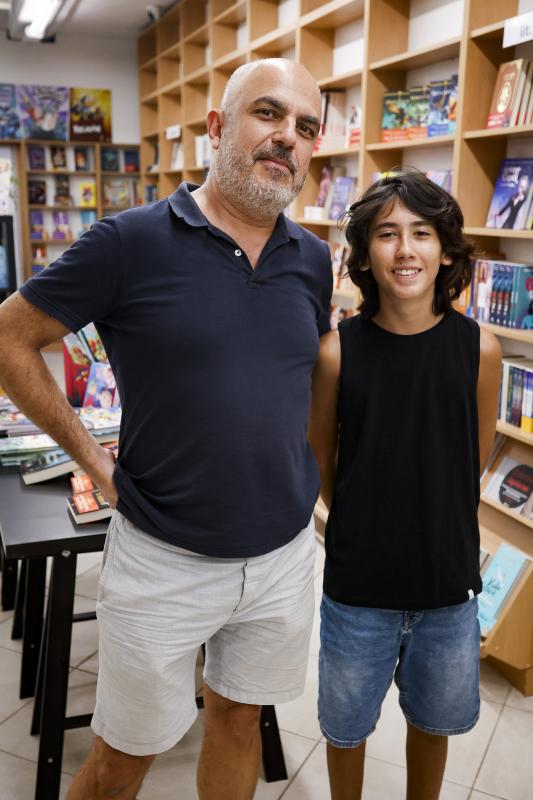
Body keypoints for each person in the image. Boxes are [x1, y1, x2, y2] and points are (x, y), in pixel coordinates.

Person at [0, 58, 331, 800]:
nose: (287, 138)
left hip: (281, 555)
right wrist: (91, 458)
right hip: (165, 559)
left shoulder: (311, 258)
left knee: (239, 721)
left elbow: (298, 384)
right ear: (216, 127)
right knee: (123, 761)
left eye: (305, 128)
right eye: (268, 115)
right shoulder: (130, 242)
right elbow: (8, 339)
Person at [309, 171, 501, 800]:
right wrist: (365, 519)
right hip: (358, 586)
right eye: (387, 234)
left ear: (445, 250)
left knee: (433, 721)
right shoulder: (339, 351)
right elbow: (324, 460)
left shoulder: (481, 350)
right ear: (365, 254)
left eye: (422, 233)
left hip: (446, 586)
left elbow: (470, 459)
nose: (405, 249)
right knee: (346, 727)